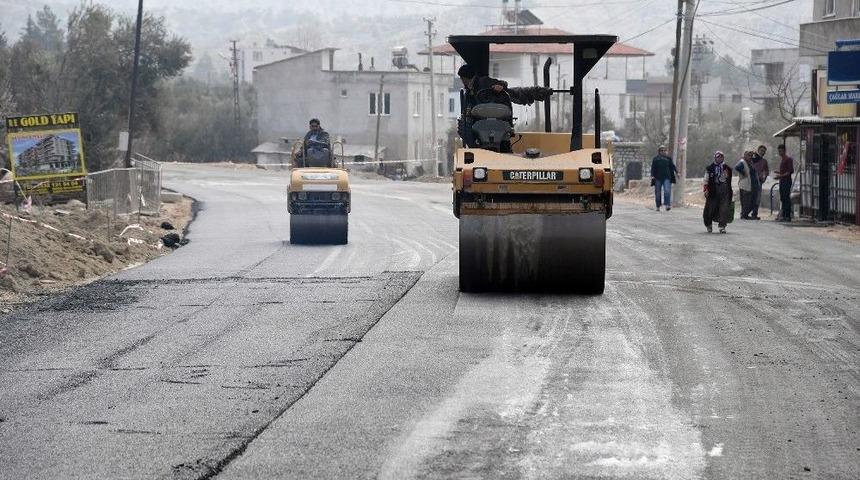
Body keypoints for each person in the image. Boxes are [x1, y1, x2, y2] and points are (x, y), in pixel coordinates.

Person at [456, 64, 553, 148]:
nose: (462, 81)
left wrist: (499, 86)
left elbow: (501, 84)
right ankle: (475, 146)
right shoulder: (468, 91)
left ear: (464, 77)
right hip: (480, 120)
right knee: (463, 124)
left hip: (490, 118)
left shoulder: (483, 82)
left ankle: (480, 145)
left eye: (462, 78)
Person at [703, 151, 733, 233]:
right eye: (717, 157)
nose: (719, 158)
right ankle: (708, 225)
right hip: (713, 191)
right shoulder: (710, 168)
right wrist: (706, 190)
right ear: (715, 158)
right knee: (710, 209)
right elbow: (706, 180)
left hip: (725, 191)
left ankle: (722, 226)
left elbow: (729, 181)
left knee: (724, 209)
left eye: (721, 157)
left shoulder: (727, 168)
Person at [650, 145, 677, 211]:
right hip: (657, 178)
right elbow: (653, 168)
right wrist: (652, 175)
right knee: (658, 192)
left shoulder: (668, 158)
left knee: (667, 191)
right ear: (659, 151)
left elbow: (672, 166)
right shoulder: (655, 159)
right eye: (661, 150)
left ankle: (667, 205)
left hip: (667, 177)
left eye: (664, 150)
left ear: (666, 151)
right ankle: (658, 206)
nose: (663, 152)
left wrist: (677, 172)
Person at [773, 144, 794, 222]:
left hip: (786, 181)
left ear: (784, 151)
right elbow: (785, 171)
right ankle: (784, 215)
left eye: (781, 151)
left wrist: (780, 176)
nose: (780, 153)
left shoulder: (788, 159)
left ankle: (787, 216)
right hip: (782, 181)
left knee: (786, 198)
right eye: (779, 151)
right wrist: (779, 172)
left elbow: (790, 171)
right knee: (782, 198)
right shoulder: (782, 159)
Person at [749, 144, 770, 220]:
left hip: (759, 181)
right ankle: (746, 213)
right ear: (758, 150)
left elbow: (767, 171)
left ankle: (754, 214)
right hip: (751, 181)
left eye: (764, 151)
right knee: (751, 197)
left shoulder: (764, 161)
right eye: (761, 151)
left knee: (758, 197)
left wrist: (764, 178)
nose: (763, 152)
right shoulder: (752, 159)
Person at [734, 150, 755, 219]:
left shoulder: (749, 162)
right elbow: (737, 167)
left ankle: (744, 214)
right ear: (745, 155)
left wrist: (754, 153)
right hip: (744, 184)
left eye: (751, 155)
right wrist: (743, 173)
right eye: (748, 155)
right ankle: (744, 215)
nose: (750, 157)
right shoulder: (742, 162)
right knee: (746, 200)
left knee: (747, 201)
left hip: (747, 184)